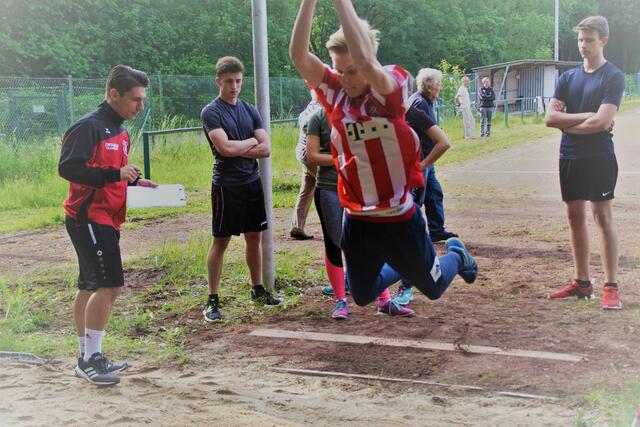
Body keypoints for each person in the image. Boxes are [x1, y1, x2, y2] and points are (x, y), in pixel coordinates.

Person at [289, 0, 478, 317]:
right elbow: (298, 56)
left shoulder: (390, 86)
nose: (346, 79)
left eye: (352, 71)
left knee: (432, 287)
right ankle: (399, 264)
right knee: (361, 295)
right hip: (359, 219)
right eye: (339, 71)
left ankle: (457, 256)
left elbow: (364, 59)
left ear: (369, 62)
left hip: (399, 216)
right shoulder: (335, 94)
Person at [59, 64, 157, 386]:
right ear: (113, 94)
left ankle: (87, 357)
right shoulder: (88, 127)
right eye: (135, 100)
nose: (140, 107)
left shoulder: (120, 129)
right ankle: (90, 359)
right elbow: (68, 168)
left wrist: (133, 182)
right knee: (110, 286)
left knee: (89, 286)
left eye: (142, 100)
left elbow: (115, 171)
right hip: (88, 218)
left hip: (107, 218)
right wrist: (114, 176)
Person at [545, 16, 625, 310]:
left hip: (599, 156)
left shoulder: (613, 76)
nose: (583, 46)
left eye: (589, 40)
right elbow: (549, 118)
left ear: (603, 40)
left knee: (602, 218)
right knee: (574, 217)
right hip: (570, 155)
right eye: (580, 40)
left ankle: (611, 286)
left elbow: (603, 121)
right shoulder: (567, 78)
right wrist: (584, 119)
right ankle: (582, 283)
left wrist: (569, 123)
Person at [200, 56, 281, 322]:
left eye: (238, 81)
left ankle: (257, 289)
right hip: (226, 186)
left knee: (254, 238)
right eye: (229, 82)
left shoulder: (250, 110)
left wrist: (238, 147)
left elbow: (266, 149)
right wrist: (249, 144)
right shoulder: (211, 111)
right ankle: (212, 299)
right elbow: (224, 149)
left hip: (251, 183)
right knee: (220, 242)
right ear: (218, 81)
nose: (234, 87)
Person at [393, 67, 456, 306]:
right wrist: (421, 166)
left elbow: (439, 141)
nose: (440, 88)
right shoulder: (417, 106)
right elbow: (444, 143)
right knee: (410, 220)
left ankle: (435, 235)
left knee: (432, 196)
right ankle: (409, 277)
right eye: (439, 84)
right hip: (416, 166)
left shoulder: (422, 103)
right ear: (430, 85)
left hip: (422, 164)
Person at [290, 91, 322, 240]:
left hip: (303, 154)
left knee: (307, 187)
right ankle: (336, 227)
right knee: (330, 188)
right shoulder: (320, 112)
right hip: (313, 155)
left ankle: (297, 226)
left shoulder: (308, 109)